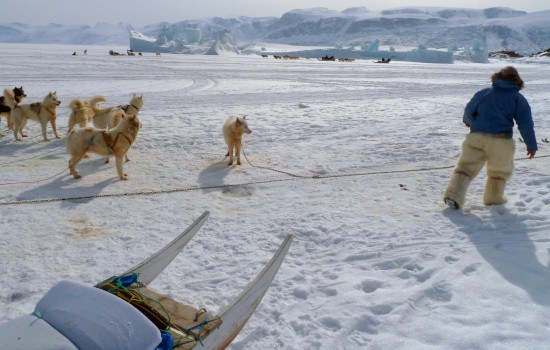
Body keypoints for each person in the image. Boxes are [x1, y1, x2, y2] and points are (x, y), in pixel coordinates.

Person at [443, 66, 537, 209]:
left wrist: (468, 122)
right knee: (499, 172)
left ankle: (453, 195)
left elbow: (469, 110)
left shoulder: (484, 93)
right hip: (501, 141)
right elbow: (525, 124)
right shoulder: (518, 98)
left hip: (476, 137)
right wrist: (531, 145)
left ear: (498, 77)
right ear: (517, 81)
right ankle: (493, 199)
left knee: (465, 168)